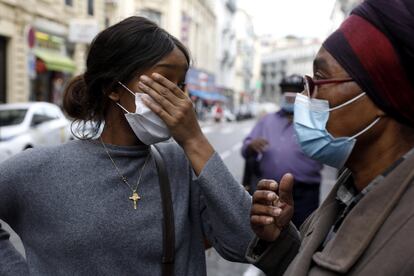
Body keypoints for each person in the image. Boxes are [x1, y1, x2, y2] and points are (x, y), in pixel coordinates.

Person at [0, 17, 253, 275]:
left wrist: (194, 139)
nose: (180, 100)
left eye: (180, 86)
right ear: (113, 88)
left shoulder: (182, 163)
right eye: (163, 82)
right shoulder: (38, 169)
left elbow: (247, 244)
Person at [246, 0, 414, 275]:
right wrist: (281, 243)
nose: (304, 97)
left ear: (383, 93)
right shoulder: (351, 188)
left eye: (319, 80)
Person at [241, 74, 322, 227]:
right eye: (286, 91)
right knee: (269, 235)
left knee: (303, 237)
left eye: (295, 92)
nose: (289, 96)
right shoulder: (267, 120)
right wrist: (251, 145)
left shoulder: (315, 120)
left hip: (305, 194)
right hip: (271, 192)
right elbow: (246, 149)